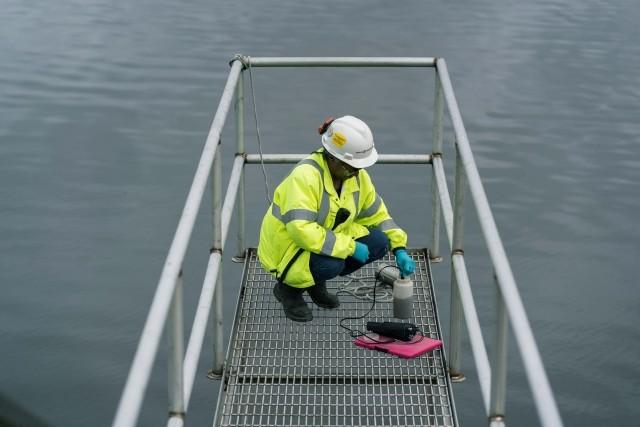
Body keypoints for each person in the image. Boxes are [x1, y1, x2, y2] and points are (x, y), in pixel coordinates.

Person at [257, 115, 416, 322]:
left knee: (379, 243)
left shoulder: (355, 177)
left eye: (360, 167)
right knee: (331, 264)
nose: (357, 172)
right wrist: (349, 247)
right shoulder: (305, 177)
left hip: (325, 238)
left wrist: (400, 248)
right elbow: (301, 231)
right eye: (352, 167)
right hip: (288, 249)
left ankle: (314, 283)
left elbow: (379, 216)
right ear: (332, 157)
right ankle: (289, 290)